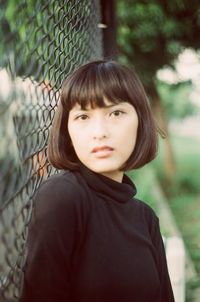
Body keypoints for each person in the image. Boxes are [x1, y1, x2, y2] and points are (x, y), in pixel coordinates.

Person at [20, 60, 175, 302]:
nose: (99, 131)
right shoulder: (62, 197)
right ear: (67, 132)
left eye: (115, 113)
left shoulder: (146, 218)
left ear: (140, 121)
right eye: (83, 116)